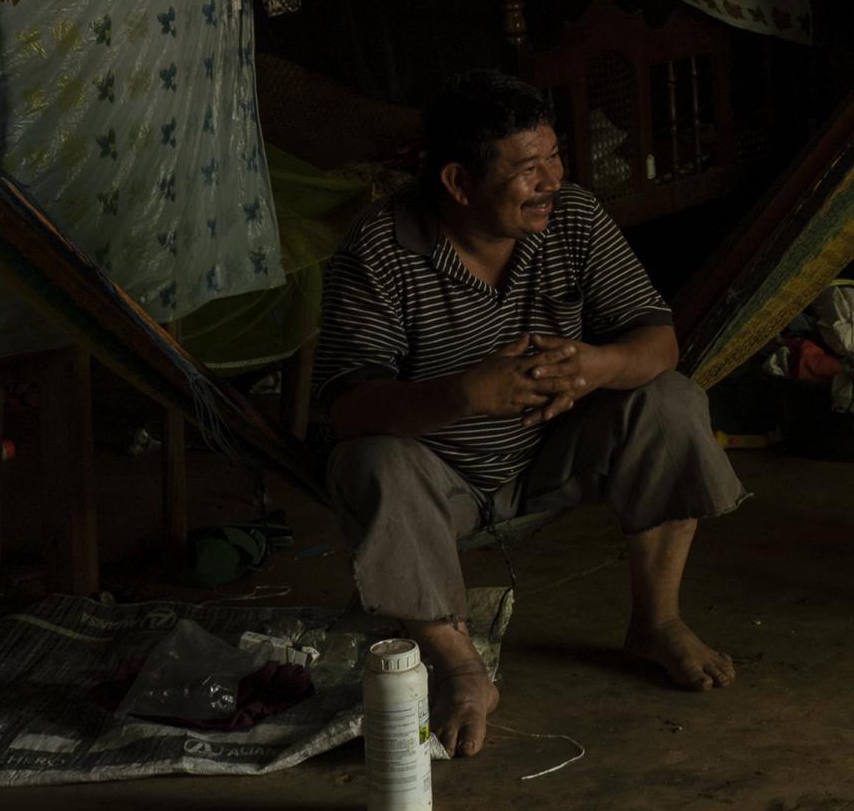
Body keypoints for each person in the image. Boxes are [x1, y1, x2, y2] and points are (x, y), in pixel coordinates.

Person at [314, 69, 746, 757]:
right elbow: (345, 409)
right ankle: (459, 666)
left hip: (549, 458)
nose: (551, 180)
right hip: (437, 484)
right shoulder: (379, 251)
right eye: (527, 169)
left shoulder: (571, 216)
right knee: (369, 459)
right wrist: (465, 394)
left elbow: (658, 339)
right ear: (458, 183)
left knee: (670, 398)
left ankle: (657, 621)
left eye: (554, 158)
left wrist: (593, 367)